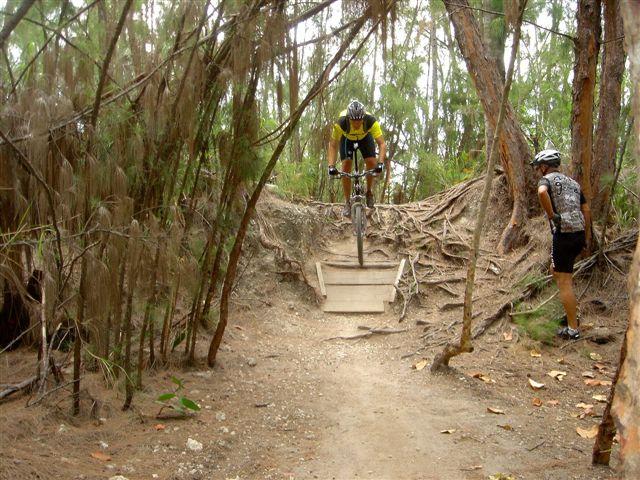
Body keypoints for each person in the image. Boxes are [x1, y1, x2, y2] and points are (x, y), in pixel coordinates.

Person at [531, 149, 591, 340]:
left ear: (545, 166)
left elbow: (541, 193)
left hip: (564, 234)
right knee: (557, 273)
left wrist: (552, 215)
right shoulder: (573, 183)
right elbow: (586, 209)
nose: (539, 170)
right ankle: (572, 312)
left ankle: (573, 328)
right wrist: (586, 236)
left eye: (539, 166)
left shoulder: (546, 180)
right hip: (578, 234)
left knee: (564, 281)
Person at [327, 100, 387, 217]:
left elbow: (382, 144)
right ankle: (347, 202)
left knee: (371, 162)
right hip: (347, 139)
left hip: (365, 137)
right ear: (349, 119)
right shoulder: (341, 123)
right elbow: (333, 145)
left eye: (359, 120)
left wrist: (380, 163)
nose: (356, 124)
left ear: (363, 118)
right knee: (345, 166)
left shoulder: (370, 121)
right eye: (354, 121)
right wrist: (331, 166)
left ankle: (369, 192)